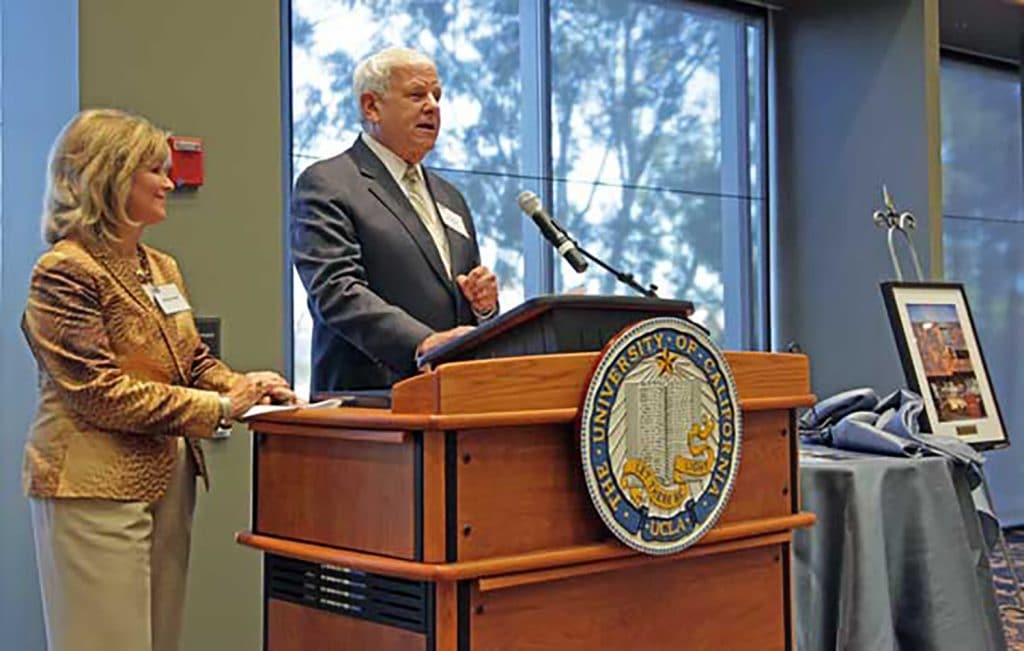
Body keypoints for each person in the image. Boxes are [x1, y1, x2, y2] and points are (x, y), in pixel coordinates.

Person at [21, 108, 296, 651]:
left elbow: (191, 362)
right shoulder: (64, 270)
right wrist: (218, 409)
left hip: (168, 481)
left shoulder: (161, 266)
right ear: (111, 174)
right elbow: (98, 393)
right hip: (93, 485)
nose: (171, 182)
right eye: (156, 170)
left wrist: (244, 386)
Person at [291, 46, 499, 392]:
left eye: (437, 95)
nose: (432, 105)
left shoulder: (451, 197)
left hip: (453, 400)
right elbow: (336, 290)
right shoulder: (328, 183)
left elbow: (458, 301)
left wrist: (485, 308)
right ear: (371, 106)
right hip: (369, 405)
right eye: (417, 94)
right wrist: (422, 343)